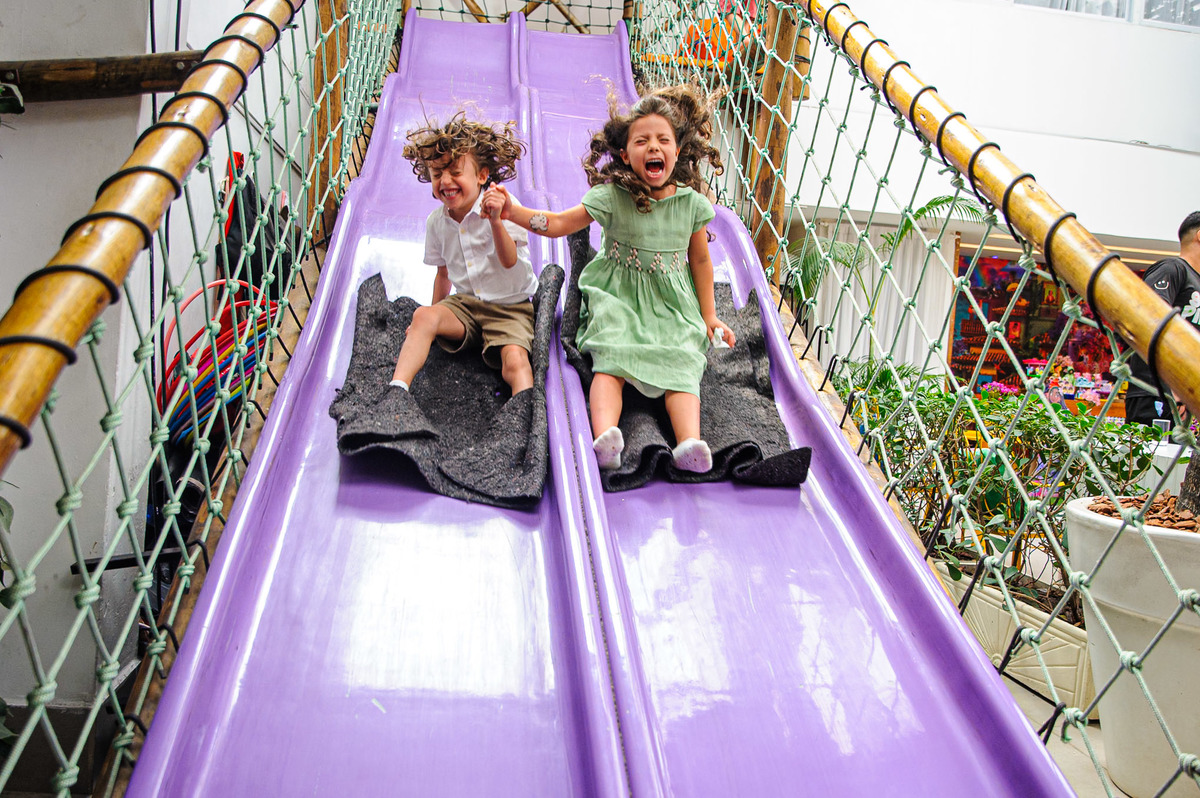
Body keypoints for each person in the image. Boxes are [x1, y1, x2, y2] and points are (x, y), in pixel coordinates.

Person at [483, 85, 736, 473]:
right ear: (624, 154)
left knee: (683, 358)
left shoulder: (690, 204)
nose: (653, 147)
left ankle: (688, 443)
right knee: (611, 354)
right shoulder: (612, 196)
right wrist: (512, 213)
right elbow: (558, 224)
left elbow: (700, 261)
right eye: (642, 140)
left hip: (672, 302)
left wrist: (709, 316)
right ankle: (606, 437)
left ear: (678, 151)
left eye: (662, 140)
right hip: (618, 294)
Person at [390, 114, 538, 397]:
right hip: (467, 307)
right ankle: (396, 393)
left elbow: (509, 262)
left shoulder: (503, 206)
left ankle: (524, 408)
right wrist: (432, 320)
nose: (445, 181)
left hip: (509, 307)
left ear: (482, 176)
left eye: (456, 172)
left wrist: (495, 221)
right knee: (422, 316)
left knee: (515, 360)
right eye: (437, 174)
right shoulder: (437, 222)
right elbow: (443, 274)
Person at [1124, 210, 1200, 427]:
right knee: (1149, 459)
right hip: (1153, 392)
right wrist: (1172, 387)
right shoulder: (1172, 269)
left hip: (1187, 398)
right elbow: (1148, 321)